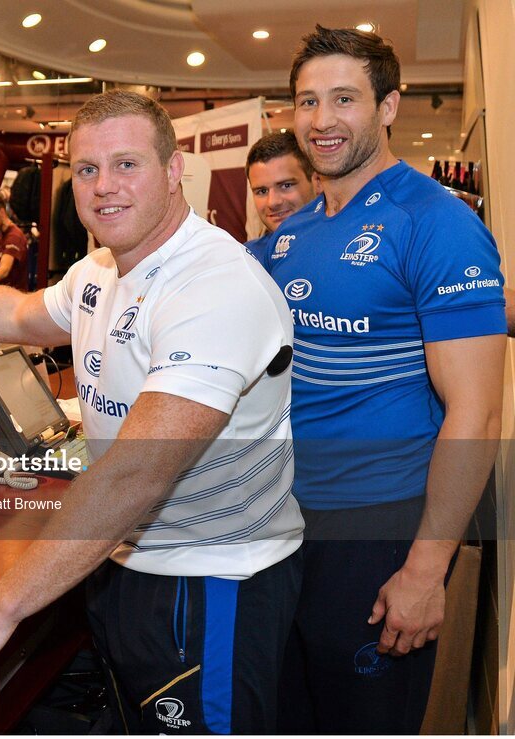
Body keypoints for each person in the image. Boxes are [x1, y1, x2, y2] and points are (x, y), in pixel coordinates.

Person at [0, 90, 304, 733]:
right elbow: (13, 314)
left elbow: (134, 475)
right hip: (122, 558)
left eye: (127, 165)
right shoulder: (99, 269)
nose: (103, 187)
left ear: (175, 171)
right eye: (87, 169)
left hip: (211, 578)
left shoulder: (215, 286)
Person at [255, 27, 506, 734]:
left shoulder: (437, 223)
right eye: (308, 100)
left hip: (376, 531)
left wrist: (427, 569)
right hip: (281, 525)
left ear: (389, 106)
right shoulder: (293, 230)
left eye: (344, 98)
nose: (322, 119)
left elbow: (477, 413)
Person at [243, 130, 318, 261]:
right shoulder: (246, 257)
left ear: (317, 182)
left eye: (286, 185)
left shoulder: (345, 247)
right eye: (262, 191)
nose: (273, 202)